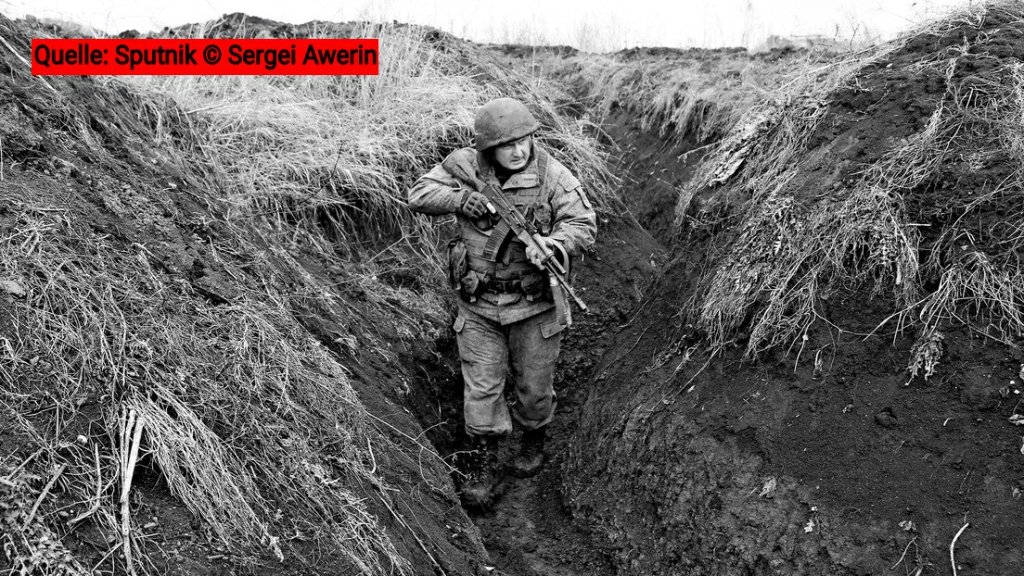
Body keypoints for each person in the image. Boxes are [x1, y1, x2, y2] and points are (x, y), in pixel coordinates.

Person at [407, 97, 597, 507]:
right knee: (481, 387)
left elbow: (583, 223)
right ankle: (484, 463)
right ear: (488, 148)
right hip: (478, 305)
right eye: (507, 145)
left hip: (534, 305)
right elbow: (419, 194)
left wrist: (554, 244)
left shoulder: (552, 174)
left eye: (524, 140)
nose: (518, 150)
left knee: (535, 387)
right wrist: (460, 200)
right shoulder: (465, 165)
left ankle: (534, 438)